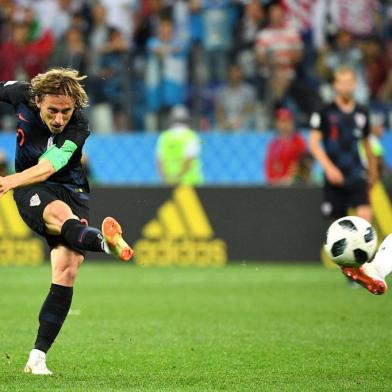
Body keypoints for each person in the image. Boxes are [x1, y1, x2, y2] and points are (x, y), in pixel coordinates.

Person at [0, 68, 134, 375]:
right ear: (38, 101)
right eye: (52, 112)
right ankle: (105, 242)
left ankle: (37, 358)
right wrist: (17, 182)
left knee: (66, 270)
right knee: (61, 215)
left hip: (69, 187)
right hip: (31, 188)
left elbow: (50, 166)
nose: (60, 119)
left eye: (66, 111)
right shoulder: (21, 92)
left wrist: (9, 180)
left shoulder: (80, 125)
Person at [309, 66, 380, 294]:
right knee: (338, 227)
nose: (346, 86)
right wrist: (328, 168)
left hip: (355, 173)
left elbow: (367, 143)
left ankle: (365, 271)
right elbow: (314, 142)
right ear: (335, 85)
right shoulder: (324, 112)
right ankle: (351, 272)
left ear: (355, 85)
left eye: (349, 82)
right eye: (341, 82)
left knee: (365, 218)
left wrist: (373, 168)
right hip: (334, 175)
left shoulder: (362, 112)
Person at [157, 105, 203, 186]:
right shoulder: (192, 136)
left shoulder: (164, 137)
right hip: (191, 184)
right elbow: (189, 160)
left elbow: (159, 162)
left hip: (168, 184)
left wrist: (167, 179)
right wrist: (178, 178)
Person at [265, 108, 307, 185]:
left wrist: (292, 179)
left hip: (293, 185)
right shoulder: (273, 144)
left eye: (287, 121)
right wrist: (274, 181)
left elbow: (304, 165)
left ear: (292, 122)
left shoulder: (298, 141)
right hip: (276, 185)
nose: (285, 125)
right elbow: (269, 166)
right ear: (277, 123)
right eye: (282, 121)